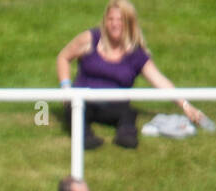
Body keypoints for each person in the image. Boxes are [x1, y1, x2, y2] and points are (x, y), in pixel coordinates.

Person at [56, 0, 203, 151]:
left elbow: (160, 81)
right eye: (110, 19)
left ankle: (126, 136)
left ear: (129, 23)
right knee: (73, 111)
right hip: (84, 101)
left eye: (120, 20)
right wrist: (66, 89)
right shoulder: (90, 39)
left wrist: (185, 105)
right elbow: (63, 57)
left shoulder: (136, 54)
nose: (114, 24)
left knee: (128, 113)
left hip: (115, 105)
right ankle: (85, 138)